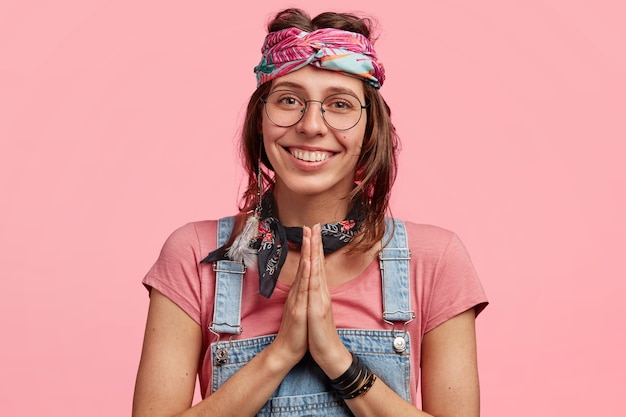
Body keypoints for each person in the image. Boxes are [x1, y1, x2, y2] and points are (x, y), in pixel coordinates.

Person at [132, 8, 488, 417]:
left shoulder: (435, 260)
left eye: (339, 104)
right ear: (259, 120)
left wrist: (338, 360)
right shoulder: (192, 255)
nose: (312, 125)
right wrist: (279, 355)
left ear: (370, 130)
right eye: (288, 100)